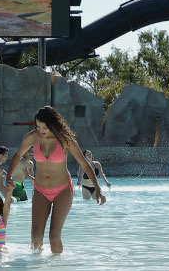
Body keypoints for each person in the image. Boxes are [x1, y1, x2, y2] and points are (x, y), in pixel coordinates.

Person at [7, 106, 105, 254]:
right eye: (38, 126)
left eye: (44, 127)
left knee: (54, 236)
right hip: (40, 190)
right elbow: (17, 155)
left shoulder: (66, 140)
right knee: (35, 237)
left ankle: (57, 267)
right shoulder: (32, 137)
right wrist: (8, 176)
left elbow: (84, 163)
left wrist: (97, 188)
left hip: (62, 190)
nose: (40, 130)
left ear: (53, 125)